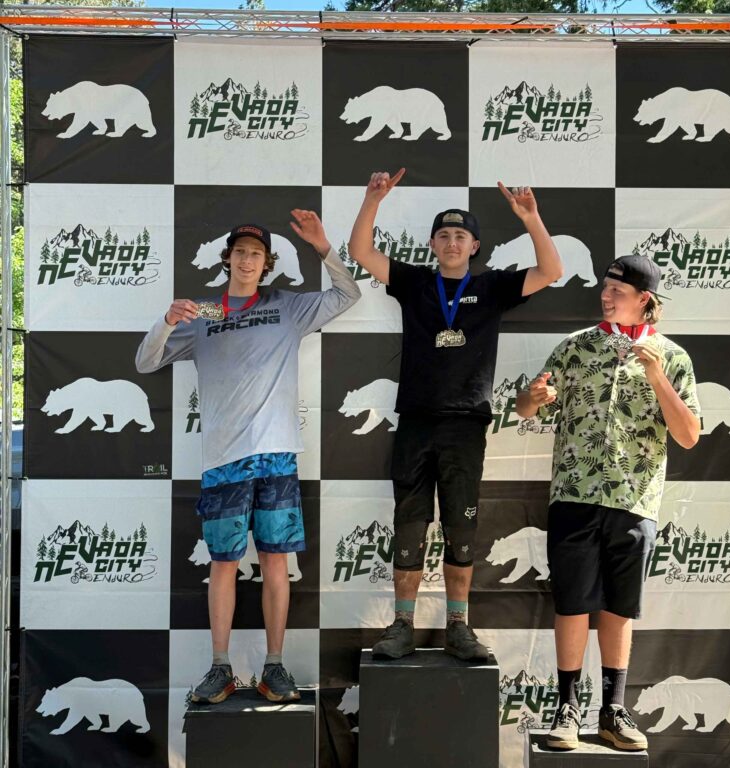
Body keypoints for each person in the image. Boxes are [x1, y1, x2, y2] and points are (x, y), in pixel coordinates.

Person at [136, 212, 360, 703]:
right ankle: (220, 667)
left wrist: (324, 247)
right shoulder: (203, 312)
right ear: (227, 259)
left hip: (277, 457)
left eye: (256, 254)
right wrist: (166, 321)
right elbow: (145, 361)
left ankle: (274, 666)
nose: (247, 260)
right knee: (223, 563)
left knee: (276, 561)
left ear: (267, 263)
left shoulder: (287, 306)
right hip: (223, 460)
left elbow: (348, 294)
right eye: (239, 251)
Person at [348, 168, 562, 661]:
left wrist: (531, 218)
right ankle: (402, 623)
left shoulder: (492, 287)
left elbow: (551, 271)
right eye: (443, 235)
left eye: (460, 236)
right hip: (416, 421)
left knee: (461, 528)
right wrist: (372, 200)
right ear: (431, 244)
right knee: (409, 523)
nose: (451, 242)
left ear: (475, 246)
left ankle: (458, 626)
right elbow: (362, 252)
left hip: (466, 425)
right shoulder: (414, 283)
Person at [516, 254, 700, 751]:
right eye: (605, 287)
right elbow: (525, 409)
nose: (605, 295)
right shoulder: (575, 347)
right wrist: (533, 397)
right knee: (573, 603)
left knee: (620, 607)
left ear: (645, 299)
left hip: (635, 499)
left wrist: (656, 376)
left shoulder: (672, 356)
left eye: (617, 290)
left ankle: (613, 710)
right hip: (573, 494)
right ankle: (567, 708)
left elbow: (688, 436)